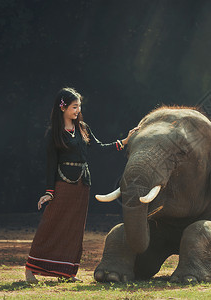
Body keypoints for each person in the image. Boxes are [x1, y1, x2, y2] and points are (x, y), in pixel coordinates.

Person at [25, 87, 138, 283]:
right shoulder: (54, 132)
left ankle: (67, 272)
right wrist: (49, 192)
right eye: (74, 106)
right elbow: (51, 164)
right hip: (63, 184)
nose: (78, 110)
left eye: (79, 106)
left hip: (82, 185)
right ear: (63, 107)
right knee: (50, 224)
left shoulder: (83, 128)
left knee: (74, 228)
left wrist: (124, 141)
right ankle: (30, 270)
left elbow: (99, 148)